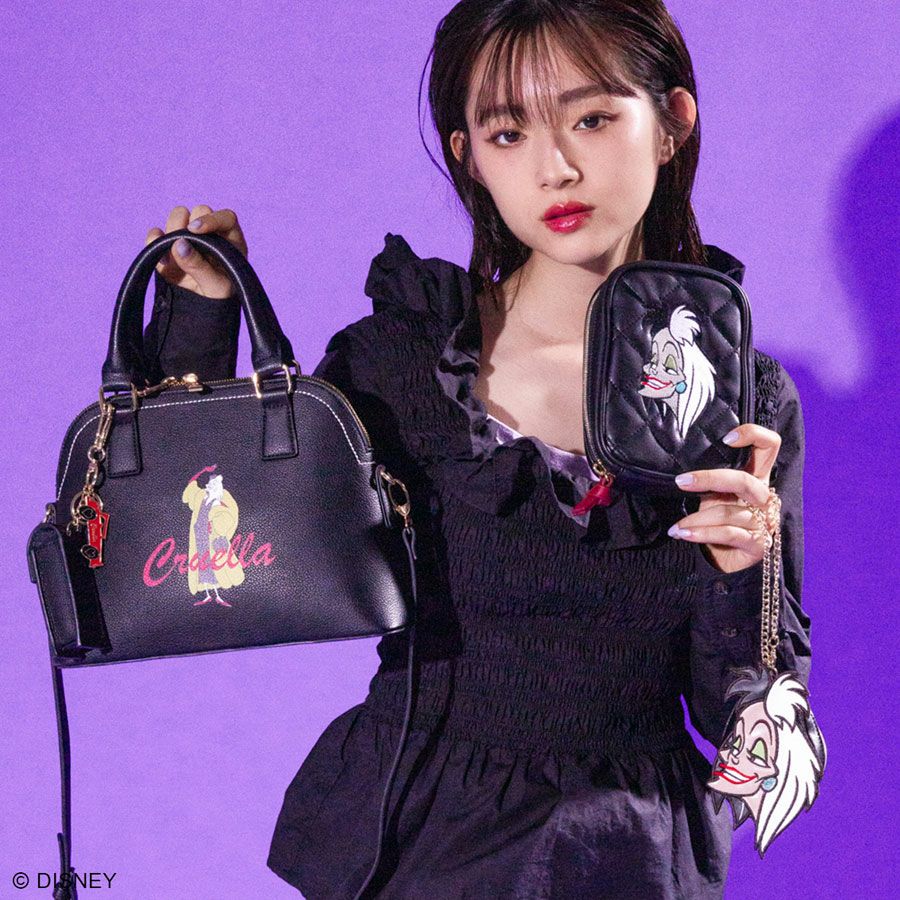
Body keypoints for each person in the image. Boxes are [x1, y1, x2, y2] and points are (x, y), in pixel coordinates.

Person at [141, 2, 813, 897]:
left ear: (672, 123)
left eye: (592, 118)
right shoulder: (399, 364)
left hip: (622, 853)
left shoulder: (742, 400)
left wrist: (742, 576)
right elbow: (219, 567)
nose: (555, 166)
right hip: (422, 842)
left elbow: (757, 734)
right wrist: (200, 321)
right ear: (468, 156)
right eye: (507, 133)